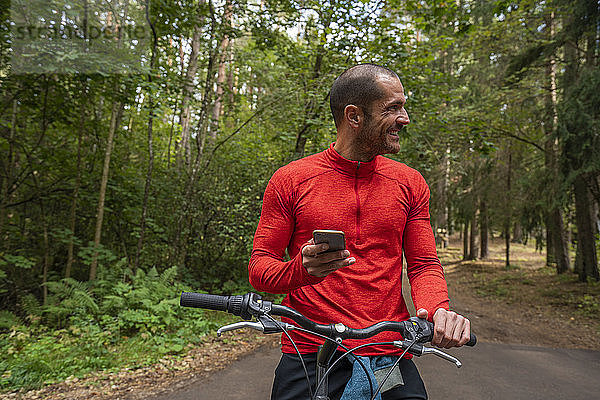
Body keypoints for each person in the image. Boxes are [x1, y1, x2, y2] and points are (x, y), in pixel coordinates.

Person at [248, 64, 471, 400]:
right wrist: (301, 270)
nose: (404, 118)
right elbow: (259, 269)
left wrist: (437, 309)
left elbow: (424, 264)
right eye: (393, 108)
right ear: (354, 116)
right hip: (309, 348)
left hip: (389, 349)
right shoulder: (291, 180)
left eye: (403, 106)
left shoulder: (410, 183)